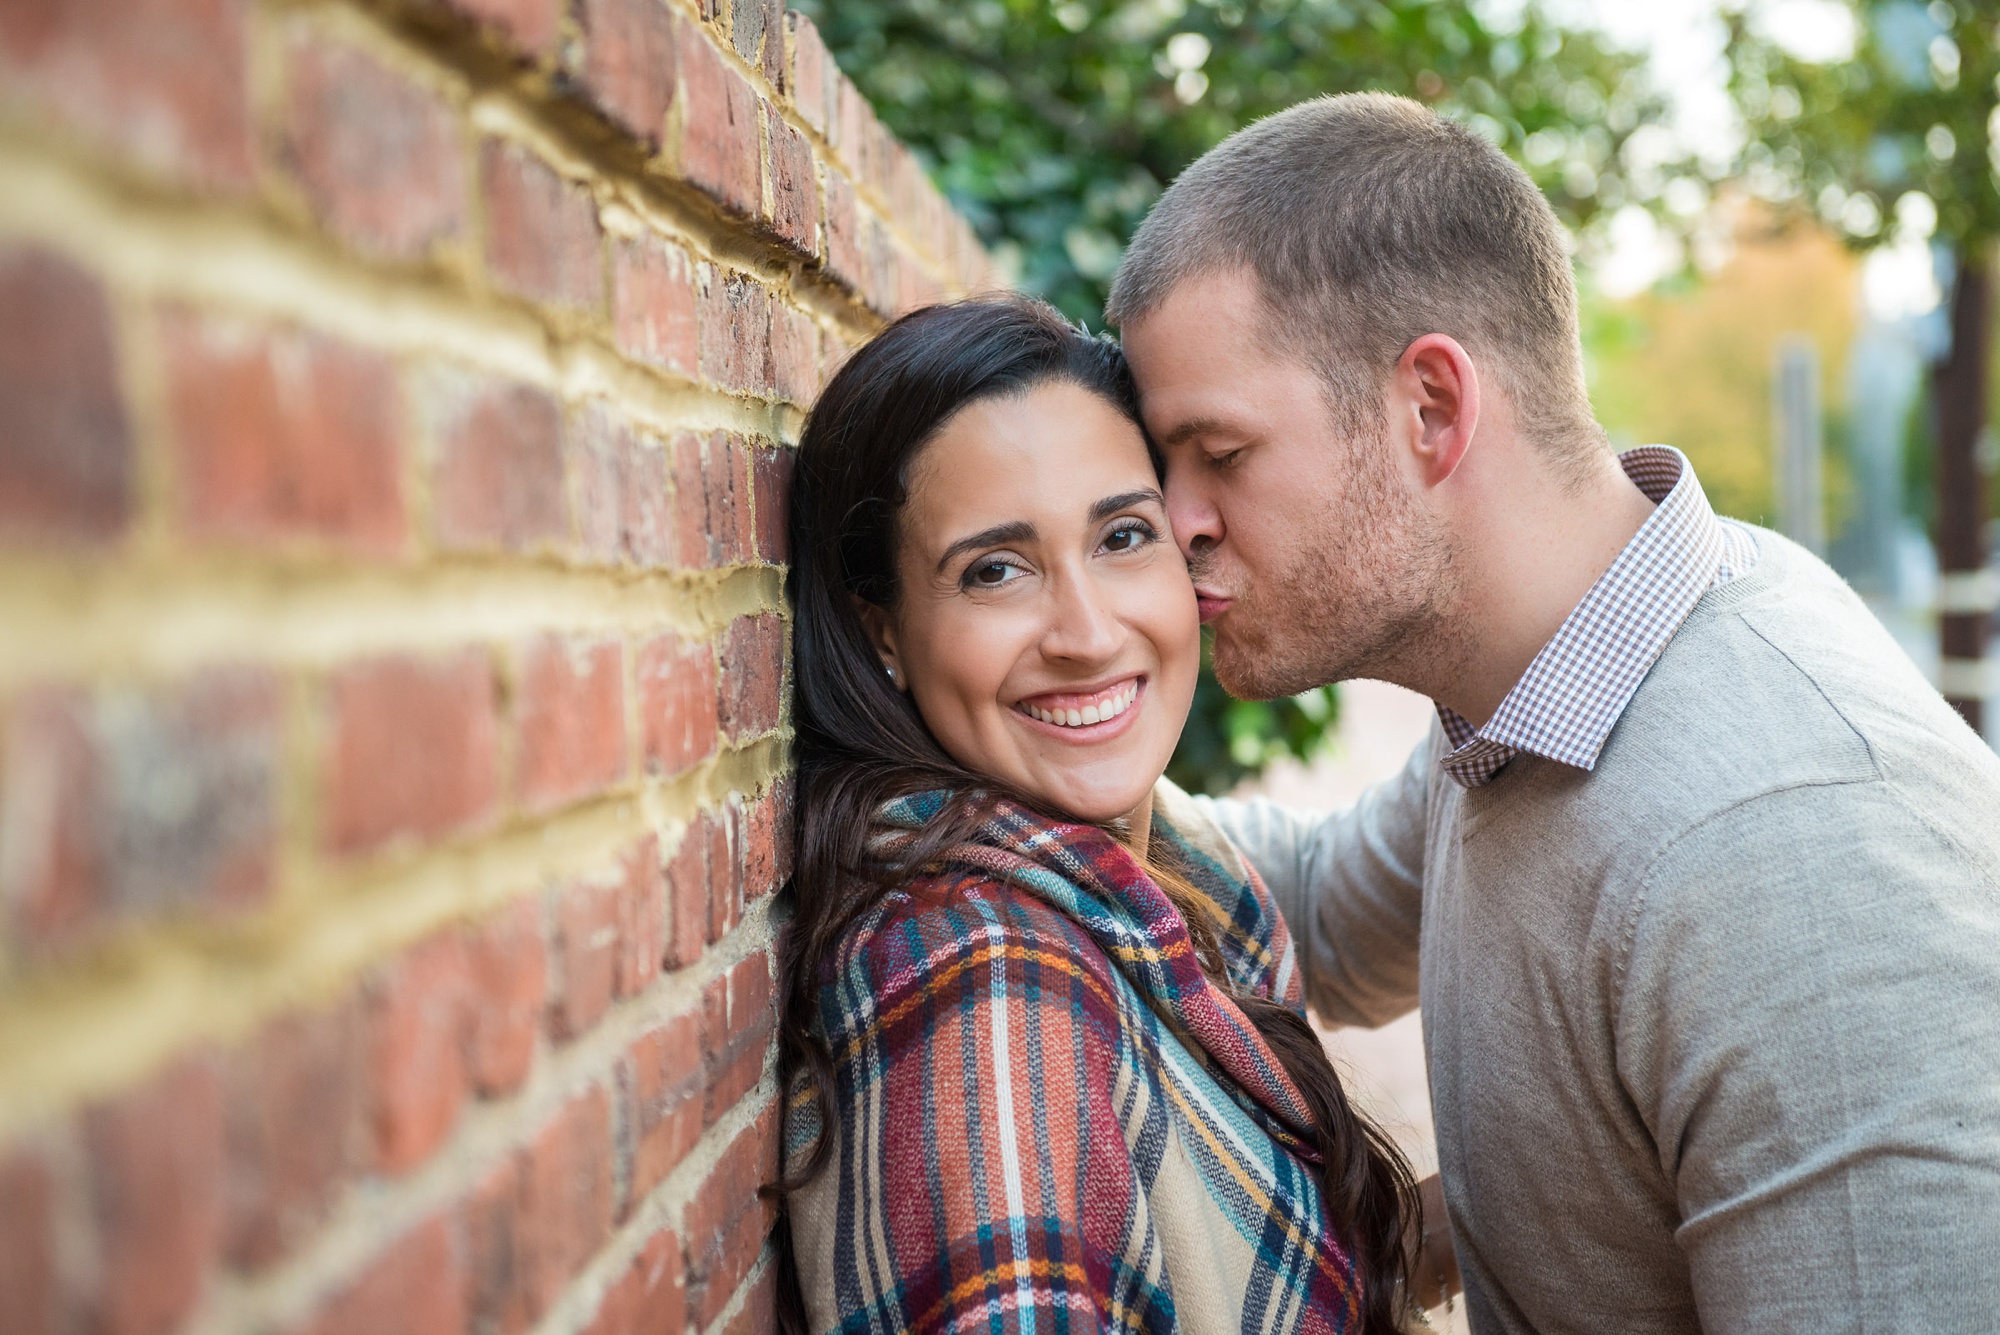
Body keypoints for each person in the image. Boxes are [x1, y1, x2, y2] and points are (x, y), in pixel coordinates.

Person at [1106, 92, 2000, 1333]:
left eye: (1220, 453)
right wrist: (1018, 724)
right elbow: (1306, 907)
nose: (1178, 519)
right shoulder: (1537, 682)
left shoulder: (1789, 851)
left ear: (1428, 408)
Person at [775, 296, 1442, 1334]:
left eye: (1122, 536)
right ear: (883, 636)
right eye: (994, 570)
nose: (1086, 634)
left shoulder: (1164, 866)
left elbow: (1372, 884)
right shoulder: (986, 987)